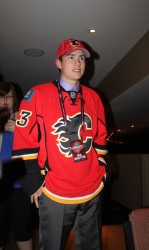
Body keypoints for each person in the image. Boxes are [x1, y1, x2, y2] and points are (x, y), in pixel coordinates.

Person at [12, 38, 110, 250]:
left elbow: (100, 137)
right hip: (56, 191)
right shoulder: (37, 94)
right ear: (58, 63)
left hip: (91, 188)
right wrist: (33, 181)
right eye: (71, 57)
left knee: (92, 246)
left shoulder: (94, 97)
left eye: (82, 58)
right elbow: (23, 139)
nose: (78, 63)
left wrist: (104, 167)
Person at [0, 81, 35, 250]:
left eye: (9, 96)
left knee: (23, 230)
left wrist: (19, 130)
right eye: (1, 97)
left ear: (15, 100)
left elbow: (39, 143)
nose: (5, 100)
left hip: (20, 185)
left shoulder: (24, 118)